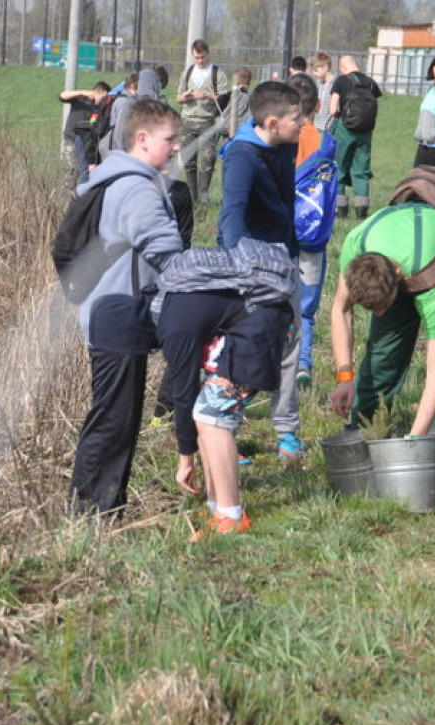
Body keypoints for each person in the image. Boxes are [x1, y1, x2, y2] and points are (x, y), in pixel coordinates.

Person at [159, 82, 305, 538]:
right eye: (300, 118)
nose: (306, 125)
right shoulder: (242, 155)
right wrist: (242, 266)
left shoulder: (172, 315)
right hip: (260, 295)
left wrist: (183, 455)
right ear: (273, 122)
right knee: (210, 413)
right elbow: (232, 214)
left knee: (211, 414)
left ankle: (230, 514)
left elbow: (180, 389)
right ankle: (220, 507)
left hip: (263, 304)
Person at [329, 166, 435, 496]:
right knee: (382, 355)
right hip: (401, 252)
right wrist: (345, 377)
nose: (380, 314)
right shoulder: (356, 247)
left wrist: (415, 440)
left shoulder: (432, 275)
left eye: (383, 305)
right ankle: (361, 445)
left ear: (397, 277)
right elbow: (340, 310)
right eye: (373, 310)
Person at [69, 99, 184, 516]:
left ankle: (103, 507)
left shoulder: (120, 179)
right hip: (119, 314)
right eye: (169, 140)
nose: (175, 148)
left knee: (115, 417)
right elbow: (167, 252)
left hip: (112, 312)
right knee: (113, 420)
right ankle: (90, 512)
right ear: (142, 138)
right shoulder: (136, 188)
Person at [272, 73, 338, 456]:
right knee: (307, 308)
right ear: (316, 105)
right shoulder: (325, 141)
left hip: (281, 232)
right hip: (312, 235)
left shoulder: (280, 138)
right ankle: (304, 366)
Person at [176, 39, 230, 205]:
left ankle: (203, 198)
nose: (200, 61)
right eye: (197, 58)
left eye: (203, 57)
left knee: (207, 162)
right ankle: (192, 199)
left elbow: (224, 99)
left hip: (207, 121)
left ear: (208, 54)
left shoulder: (217, 74)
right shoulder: (188, 73)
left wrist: (206, 95)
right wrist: (186, 96)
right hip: (187, 121)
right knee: (188, 163)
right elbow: (178, 98)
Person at [330, 54, 382, 220]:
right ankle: (361, 213)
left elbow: (332, 109)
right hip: (365, 132)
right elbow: (376, 109)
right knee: (361, 172)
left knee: (339, 168)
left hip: (345, 130)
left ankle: (341, 211)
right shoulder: (371, 83)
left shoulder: (341, 81)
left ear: (342, 68)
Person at [59, 81, 111, 183]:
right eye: (103, 96)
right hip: (72, 141)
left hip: (90, 146)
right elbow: (62, 96)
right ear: (99, 92)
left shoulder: (102, 108)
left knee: (87, 176)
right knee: (71, 173)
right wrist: (82, 93)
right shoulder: (81, 99)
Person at [222, 68, 253, 140]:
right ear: (249, 83)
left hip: (233, 129)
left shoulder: (232, 94)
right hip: (236, 131)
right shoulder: (233, 95)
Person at [310, 52, 335, 131]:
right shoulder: (317, 84)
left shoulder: (337, 84)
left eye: (316, 70)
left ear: (325, 67)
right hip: (317, 127)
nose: (314, 74)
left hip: (330, 129)